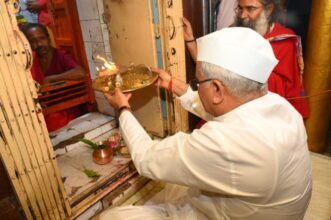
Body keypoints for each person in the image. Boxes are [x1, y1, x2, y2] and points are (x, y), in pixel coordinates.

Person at [100, 27, 312, 219]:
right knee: (177, 186)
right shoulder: (281, 107)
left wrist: (123, 108)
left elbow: (146, 158)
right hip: (262, 208)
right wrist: (172, 84)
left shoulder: (223, 143)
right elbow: (222, 108)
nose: (197, 85)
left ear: (217, 89)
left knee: (111, 217)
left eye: (198, 80)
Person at [183, 0, 309, 119]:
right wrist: (190, 39)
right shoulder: (233, 31)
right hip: (226, 111)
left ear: (269, 9)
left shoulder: (284, 41)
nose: (243, 15)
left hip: (263, 118)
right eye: (240, 8)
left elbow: (285, 92)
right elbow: (207, 69)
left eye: (250, 9)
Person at [23, 23, 86, 132]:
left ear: (48, 38)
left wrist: (51, 78)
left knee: (50, 123)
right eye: (33, 41)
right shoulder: (31, 60)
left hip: (65, 106)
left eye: (41, 38)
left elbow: (80, 72)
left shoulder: (60, 55)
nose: (39, 44)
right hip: (44, 107)